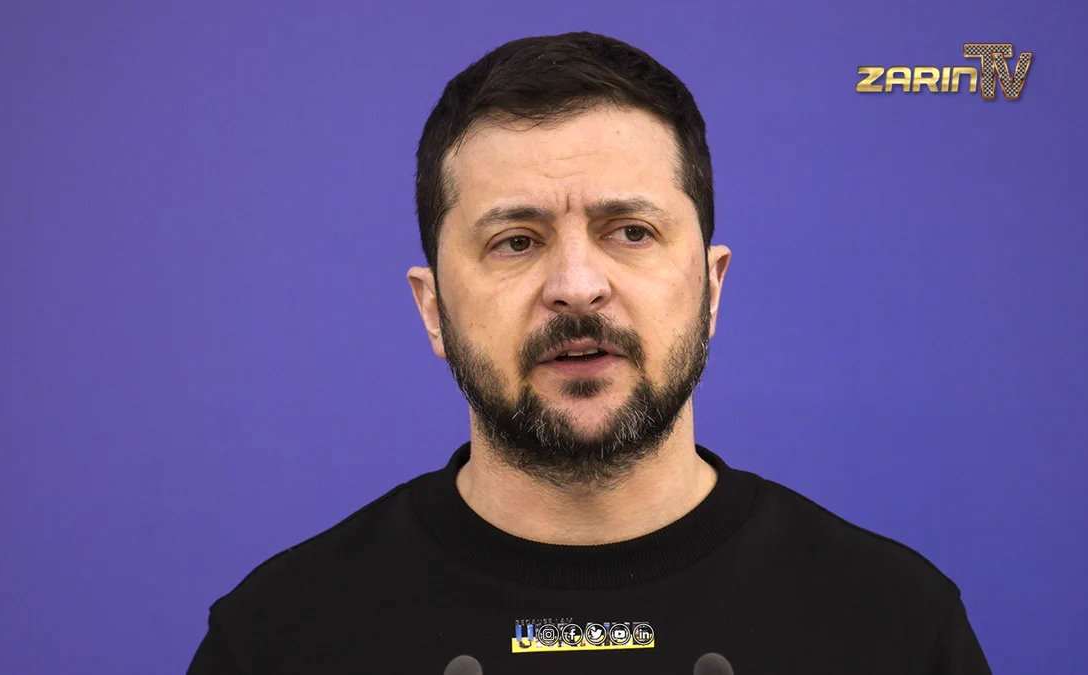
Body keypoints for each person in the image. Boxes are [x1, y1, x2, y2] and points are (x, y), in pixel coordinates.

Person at [188, 31, 991, 674]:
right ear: (433, 309)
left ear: (712, 289)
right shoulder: (278, 639)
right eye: (515, 240)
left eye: (630, 231)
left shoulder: (893, 625)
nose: (576, 286)